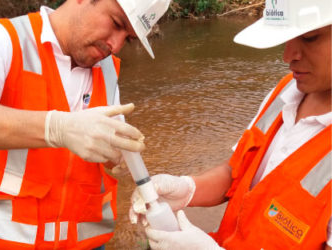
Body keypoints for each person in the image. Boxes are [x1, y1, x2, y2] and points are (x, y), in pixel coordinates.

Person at [0, 0, 172, 249]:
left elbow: (110, 146)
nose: (116, 45)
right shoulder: (3, 39)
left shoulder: (108, 69)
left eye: (128, 38)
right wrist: (56, 127)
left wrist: (123, 161)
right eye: (116, 23)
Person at [129, 0, 332, 249]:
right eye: (287, 39)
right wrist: (188, 188)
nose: (287, 56)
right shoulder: (285, 92)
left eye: (309, 38)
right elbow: (237, 173)